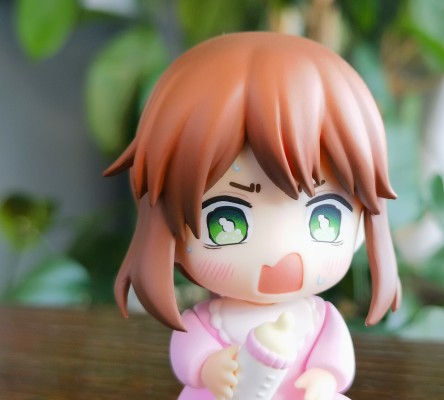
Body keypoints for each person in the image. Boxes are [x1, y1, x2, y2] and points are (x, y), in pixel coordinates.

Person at [105, 32, 401, 400]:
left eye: (325, 216)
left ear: (360, 227)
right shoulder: (208, 323)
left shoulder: (319, 320)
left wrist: (324, 379)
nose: (280, 253)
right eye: (225, 221)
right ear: (169, 231)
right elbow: (189, 356)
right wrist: (209, 368)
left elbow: (335, 362)